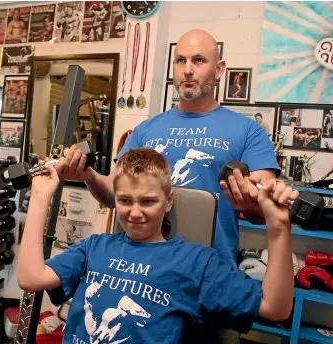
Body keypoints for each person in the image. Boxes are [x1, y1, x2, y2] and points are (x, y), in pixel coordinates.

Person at [56, 29, 280, 343]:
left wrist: (252, 203)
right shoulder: (146, 130)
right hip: (142, 281)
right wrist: (89, 176)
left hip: (207, 283)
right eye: (181, 60)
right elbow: (113, 195)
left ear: (218, 70)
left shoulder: (247, 132)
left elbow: (267, 206)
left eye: (199, 60)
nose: (188, 69)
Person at [18, 148, 296, 343]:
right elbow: (31, 277)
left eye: (148, 201)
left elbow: (275, 307)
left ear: (169, 201)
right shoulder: (94, 247)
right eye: (125, 200)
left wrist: (279, 228)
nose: (135, 212)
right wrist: (40, 197)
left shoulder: (196, 262)